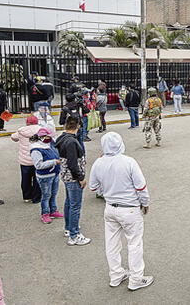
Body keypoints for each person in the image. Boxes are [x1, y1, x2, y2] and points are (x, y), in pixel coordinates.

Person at [89, 132, 154, 290]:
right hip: (130, 209)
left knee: (111, 244)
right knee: (134, 244)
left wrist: (107, 189)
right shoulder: (129, 162)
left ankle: (116, 275)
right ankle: (136, 279)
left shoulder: (98, 163)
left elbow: (93, 187)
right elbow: (141, 187)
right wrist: (145, 203)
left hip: (110, 208)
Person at [55, 116, 90, 245]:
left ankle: (69, 228)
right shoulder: (71, 142)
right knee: (75, 205)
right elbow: (72, 163)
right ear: (78, 126)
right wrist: (80, 177)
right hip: (73, 177)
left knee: (69, 202)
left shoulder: (63, 138)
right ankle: (74, 235)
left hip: (66, 176)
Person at [30, 127, 62, 224]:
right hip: (45, 177)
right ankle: (45, 214)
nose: (51, 138)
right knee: (46, 195)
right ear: (42, 137)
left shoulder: (49, 143)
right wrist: (54, 162)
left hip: (54, 173)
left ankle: (53, 210)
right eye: (49, 137)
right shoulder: (36, 149)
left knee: (54, 193)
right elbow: (38, 165)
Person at [10, 115, 42, 204]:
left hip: (25, 161)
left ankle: (27, 196)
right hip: (37, 159)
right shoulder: (41, 130)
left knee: (25, 179)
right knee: (37, 179)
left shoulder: (22, 131)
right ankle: (36, 197)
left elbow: (13, 137)